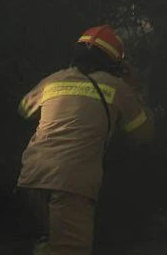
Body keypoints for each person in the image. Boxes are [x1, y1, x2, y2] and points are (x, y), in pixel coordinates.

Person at [16, 25, 155, 255]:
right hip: (71, 183)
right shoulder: (117, 88)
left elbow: (23, 110)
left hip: (31, 178)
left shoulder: (53, 80)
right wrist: (136, 90)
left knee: (49, 246)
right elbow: (143, 134)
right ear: (115, 64)